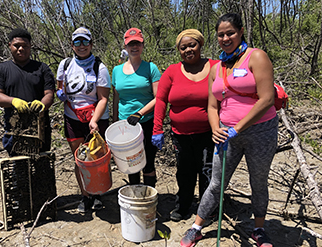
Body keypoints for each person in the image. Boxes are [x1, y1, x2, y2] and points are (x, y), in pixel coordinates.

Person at [180, 13, 278, 247]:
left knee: (258, 180)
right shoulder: (218, 67)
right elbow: (212, 105)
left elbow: (267, 99)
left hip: (260, 131)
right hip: (226, 134)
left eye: (230, 33)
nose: (226, 38)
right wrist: (216, 128)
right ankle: (197, 227)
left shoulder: (256, 57)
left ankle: (259, 229)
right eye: (221, 34)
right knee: (216, 183)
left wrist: (239, 128)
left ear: (241, 31)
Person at [151, 29, 218, 222]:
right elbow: (161, 100)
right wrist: (157, 129)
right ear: (179, 50)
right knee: (184, 172)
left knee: (207, 172)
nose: (188, 49)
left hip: (209, 133)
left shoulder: (215, 66)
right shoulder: (172, 71)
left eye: (192, 45)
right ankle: (184, 206)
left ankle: (208, 210)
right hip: (180, 134)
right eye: (183, 47)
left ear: (200, 45)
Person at [56, 27, 111, 213]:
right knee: (79, 159)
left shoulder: (99, 67)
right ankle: (85, 195)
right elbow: (60, 87)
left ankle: (97, 194)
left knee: (95, 158)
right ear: (72, 45)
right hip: (72, 118)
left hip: (95, 118)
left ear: (91, 44)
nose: (81, 46)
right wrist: (60, 94)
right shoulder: (64, 65)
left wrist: (94, 120)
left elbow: (103, 98)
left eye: (85, 42)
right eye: (77, 42)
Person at [0, 28, 55, 156]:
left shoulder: (42, 68)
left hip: (40, 128)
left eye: (25, 46)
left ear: (30, 46)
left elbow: (49, 94)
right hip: (15, 129)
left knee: (42, 165)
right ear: (10, 46)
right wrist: (13, 101)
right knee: (18, 168)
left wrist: (42, 104)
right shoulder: (1, 69)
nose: (21, 49)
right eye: (17, 46)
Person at [112, 28, 161, 188]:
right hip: (124, 125)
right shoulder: (116, 70)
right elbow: (116, 98)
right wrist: (114, 122)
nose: (134, 47)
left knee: (147, 163)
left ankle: (148, 199)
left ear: (142, 45)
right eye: (131, 44)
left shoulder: (151, 68)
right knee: (130, 164)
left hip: (146, 122)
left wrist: (140, 113)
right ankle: (135, 198)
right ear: (125, 47)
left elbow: (159, 98)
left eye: (137, 44)